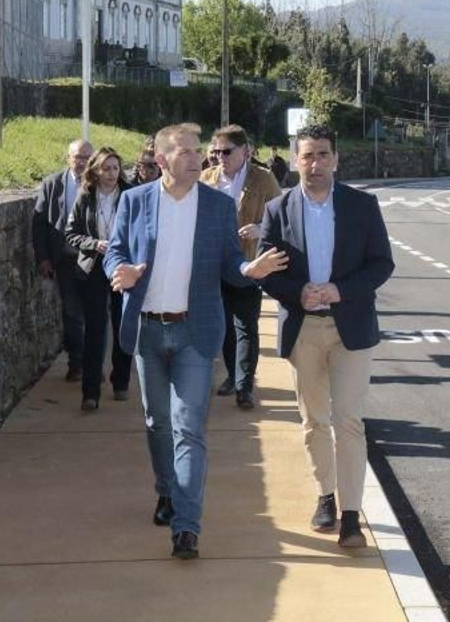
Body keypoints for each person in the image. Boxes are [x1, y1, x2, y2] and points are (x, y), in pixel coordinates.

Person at [104, 123, 290, 560]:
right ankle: (166, 490)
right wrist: (120, 271)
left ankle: (186, 527)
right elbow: (115, 250)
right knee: (158, 423)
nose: (197, 158)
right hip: (148, 329)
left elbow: (229, 262)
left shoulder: (217, 205)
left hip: (195, 332)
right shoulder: (135, 200)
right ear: (162, 160)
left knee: (189, 428)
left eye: (197, 150)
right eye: (185, 151)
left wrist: (248, 271)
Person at [259, 123, 395, 549]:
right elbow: (266, 272)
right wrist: (296, 291)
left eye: (322, 154)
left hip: (350, 327)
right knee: (314, 420)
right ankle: (325, 497)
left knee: (349, 420)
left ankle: (352, 516)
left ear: (335, 159)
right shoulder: (277, 210)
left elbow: (381, 264)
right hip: (304, 328)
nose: (315, 163)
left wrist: (340, 290)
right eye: (307, 155)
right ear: (295, 160)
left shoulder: (362, 206)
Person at [201, 125, 282, 410]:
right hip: (214, 264)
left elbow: (282, 215)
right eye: (216, 152)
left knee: (246, 325)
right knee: (222, 325)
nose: (220, 157)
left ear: (245, 151)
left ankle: (244, 387)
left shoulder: (264, 178)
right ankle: (232, 375)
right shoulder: (206, 179)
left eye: (227, 152)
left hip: (249, 262)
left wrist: (260, 228)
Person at [66, 147, 134, 412]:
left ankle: (121, 382)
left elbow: (142, 231)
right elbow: (71, 232)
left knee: (122, 324)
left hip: (122, 266)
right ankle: (90, 392)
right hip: (93, 268)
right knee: (95, 329)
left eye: (115, 168)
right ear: (95, 171)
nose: (111, 173)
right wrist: (94, 243)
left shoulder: (130, 195)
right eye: (106, 168)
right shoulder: (86, 196)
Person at [32, 139, 95, 381]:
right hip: (65, 259)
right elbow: (39, 224)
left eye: (87, 157)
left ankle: (93, 364)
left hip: (93, 260)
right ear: (68, 158)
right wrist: (43, 258)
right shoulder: (52, 184)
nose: (82, 162)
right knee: (71, 313)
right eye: (78, 157)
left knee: (95, 314)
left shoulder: (99, 183)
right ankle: (76, 363)